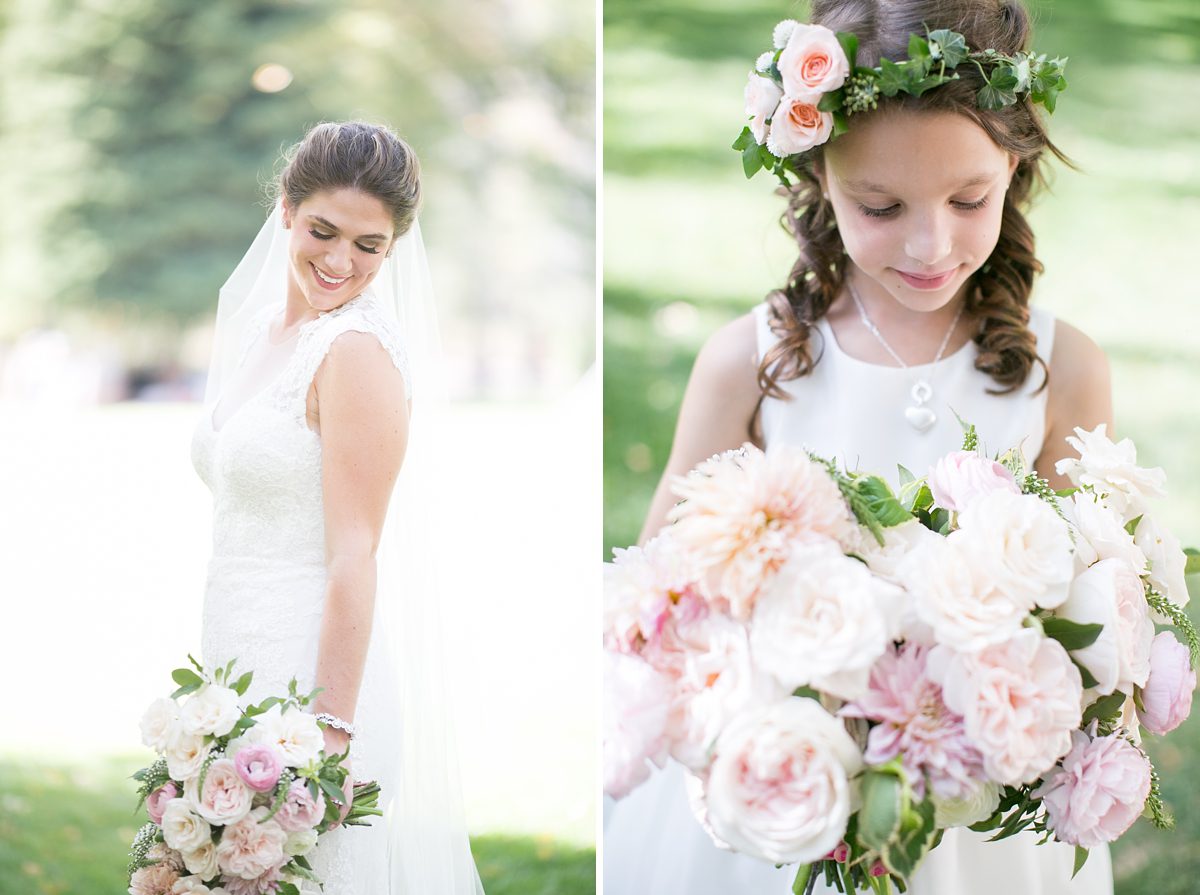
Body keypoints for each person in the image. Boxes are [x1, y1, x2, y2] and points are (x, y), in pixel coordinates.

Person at [604, 0, 1116, 892]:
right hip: (789, 777)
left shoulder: (1060, 367)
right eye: (880, 206)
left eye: (969, 200)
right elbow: (656, 595)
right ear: (818, 179)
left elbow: (1102, 600)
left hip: (981, 805)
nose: (931, 244)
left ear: (1014, 165)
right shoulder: (750, 364)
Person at [192, 121, 484, 894]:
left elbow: (355, 553)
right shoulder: (264, 331)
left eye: (368, 245)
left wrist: (325, 740)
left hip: (311, 684)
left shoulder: (355, 352)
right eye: (323, 230)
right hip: (232, 656)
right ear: (284, 210)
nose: (339, 261)